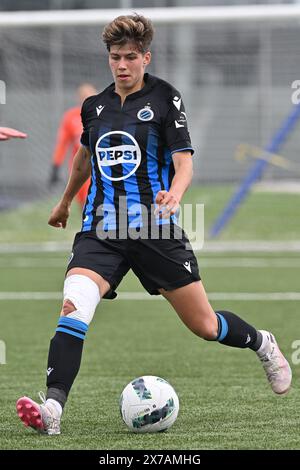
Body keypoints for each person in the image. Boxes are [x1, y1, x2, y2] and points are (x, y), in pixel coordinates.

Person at [16, 14, 292, 436]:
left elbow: (184, 163)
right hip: (101, 231)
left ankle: (262, 342)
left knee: (205, 325)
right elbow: (83, 159)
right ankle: (52, 409)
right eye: (114, 57)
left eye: (130, 57)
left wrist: (175, 196)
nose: (122, 65)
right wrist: (65, 202)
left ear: (146, 57)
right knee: (73, 307)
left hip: (154, 229)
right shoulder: (95, 107)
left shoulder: (165, 98)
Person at [49, 83, 97, 208]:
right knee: (84, 202)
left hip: (100, 164)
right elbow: (62, 143)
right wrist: (56, 166)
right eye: (84, 96)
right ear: (79, 99)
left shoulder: (104, 115)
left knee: (96, 200)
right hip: (81, 166)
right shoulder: (71, 117)